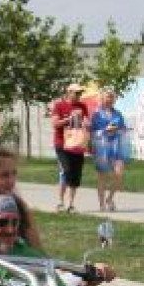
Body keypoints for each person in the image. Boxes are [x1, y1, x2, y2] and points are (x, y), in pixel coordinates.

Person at [0, 146, 42, 249]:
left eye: (14, 174)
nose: (11, 181)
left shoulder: (19, 207)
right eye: (4, 175)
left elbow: (37, 252)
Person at [51, 82, 89, 213]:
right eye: (76, 93)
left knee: (76, 174)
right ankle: (60, 202)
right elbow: (55, 124)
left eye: (80, 93)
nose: (79, 95)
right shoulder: (59, 105)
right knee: (66, 171)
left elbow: (86, 123)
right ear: (69, 93)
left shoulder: (82, 106)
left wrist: (86, 123)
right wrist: (69, 119)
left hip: (77, 144)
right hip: (62, 144)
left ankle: (70, 204)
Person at [91, 89, 128, 212]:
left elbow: (123, 129)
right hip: (101, 146)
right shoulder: (96, 114)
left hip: (117, 145)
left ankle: (110, 198)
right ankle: (102, 204)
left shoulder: (118, 114)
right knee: (102, 176)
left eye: (112, 97)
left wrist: (118, 130)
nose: (110, 99)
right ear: (102, 98)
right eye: (108, 97)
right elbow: (92, 132)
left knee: (119, 174)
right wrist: (105, 130)